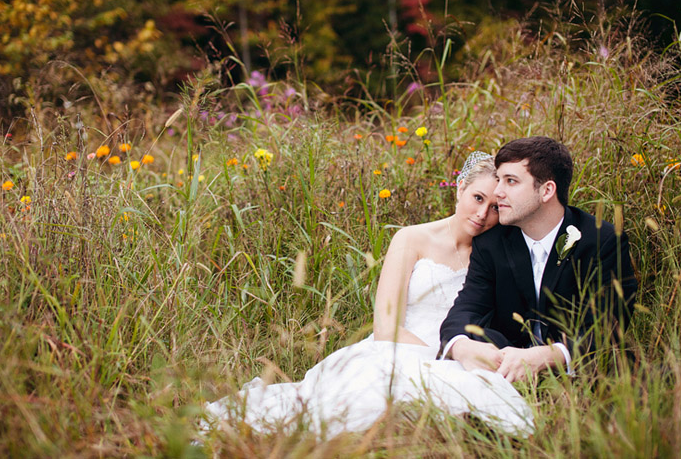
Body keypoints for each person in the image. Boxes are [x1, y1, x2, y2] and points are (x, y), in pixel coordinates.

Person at [198, 153, 534, 440]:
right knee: (354, 404)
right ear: (460, 188)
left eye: (494, 207)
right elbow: (386, 325)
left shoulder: (494, 253)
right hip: (400, 347)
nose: (482, 214)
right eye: (477, 198)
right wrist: (444, 353)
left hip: (462, 353)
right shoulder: (412, 238)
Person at [439, 137, 637, 382]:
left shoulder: (600, 241)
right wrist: (461, 346)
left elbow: (608, 325)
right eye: (499, 179)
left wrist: (549, 356)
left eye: (510, 181)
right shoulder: (491, 243)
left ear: (546, 190)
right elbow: (466, 308)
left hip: (583, 376)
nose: (498, 191)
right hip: (506, 365)